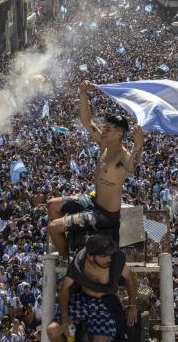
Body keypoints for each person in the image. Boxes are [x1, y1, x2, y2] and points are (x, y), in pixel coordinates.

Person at [46, 79, 145, 258]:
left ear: (119, 134)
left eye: (108, 129)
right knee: (52, 205)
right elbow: (86, 121)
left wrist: (139, 145)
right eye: (104, 128)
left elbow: (132, 166)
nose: (103, 130)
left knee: (54, 228)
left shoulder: (123, 156)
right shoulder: (104, 144)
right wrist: (83, 93)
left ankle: (65, 260)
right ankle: (69, 241)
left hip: (106, 214)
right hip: (93, 202)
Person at [46, 235, 139, 342]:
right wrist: (66, 318)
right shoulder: (79, 263)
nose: (108, 258)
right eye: (104, 256)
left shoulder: (116, 260)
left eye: (110, 254)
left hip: (105, 301)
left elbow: (131, 279)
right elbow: (65, 289)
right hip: (81, 298)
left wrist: (132, 305)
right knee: (53, 331)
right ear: (90, 256)